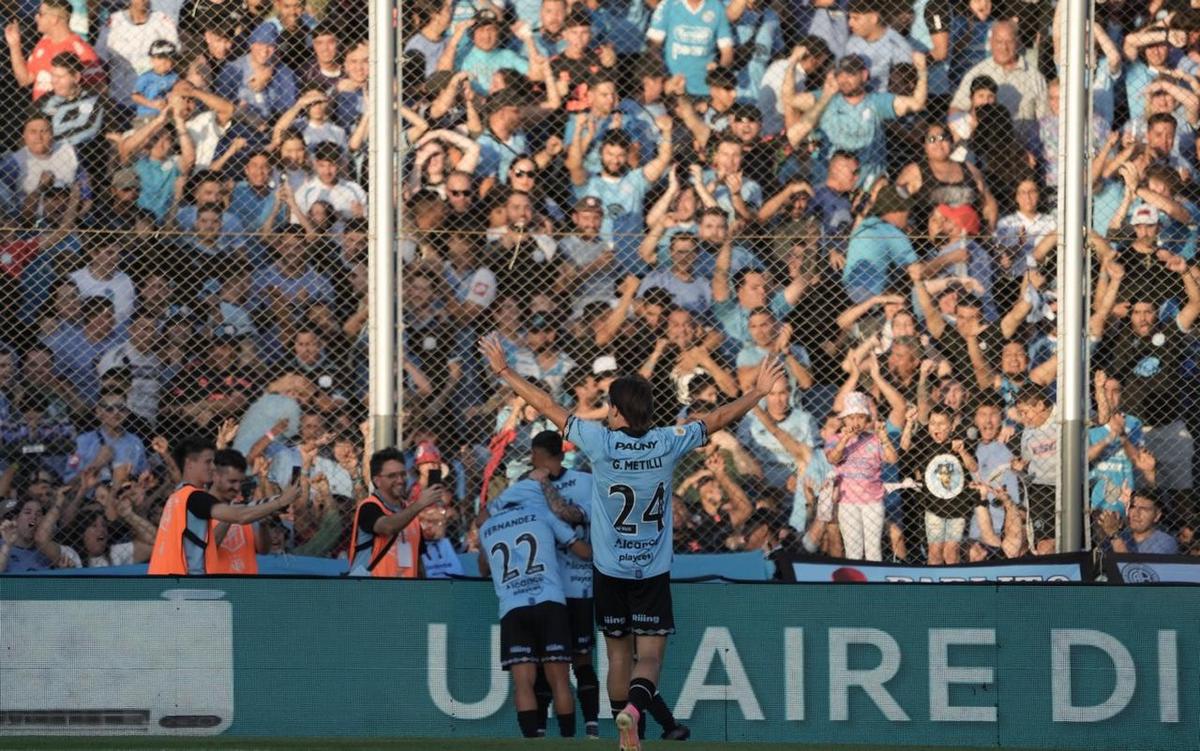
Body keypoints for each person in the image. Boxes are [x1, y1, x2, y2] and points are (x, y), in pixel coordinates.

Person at [479, 333, 784, 751]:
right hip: (652, 570)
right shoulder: (667, 442)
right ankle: (635, 716)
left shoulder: (600, 442)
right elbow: (716, 418)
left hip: (609, 570)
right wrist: (758, 392)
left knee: (618, 656)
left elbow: (548, 407)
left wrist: (504, 370)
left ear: (618, 412)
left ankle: (629, 729)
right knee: (651, 658)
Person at [477, 474, 592, 739]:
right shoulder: (541, 513)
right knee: (560, 682)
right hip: (549, 601)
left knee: (523, 684)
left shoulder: (488, 527)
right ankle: (568, 741)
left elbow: (483, 568)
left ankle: (532, 741)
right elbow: (581, 551)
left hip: (513, 607)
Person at [528, 429, 600, 737]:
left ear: (547, 456)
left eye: (535, 456)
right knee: (549, 660)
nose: (532, 462)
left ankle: (591, 725)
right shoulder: (527, 487)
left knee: (581, 658)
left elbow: (573, 516)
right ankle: (542, 729)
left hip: (579, 584)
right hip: (546, 588)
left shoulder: (585, 483)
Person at [147, 436, 299, 574]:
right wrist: (281, 501)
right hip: (183, 587)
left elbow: (261, 546)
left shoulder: (178, 497)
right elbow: (239, 517)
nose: (212, 467)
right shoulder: (194, 498)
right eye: (208, 462)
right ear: (189, 464)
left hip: (169, 584)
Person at [346, 446, 443, 577]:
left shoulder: (411, 513)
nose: (400, 480)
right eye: (392, 476)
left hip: (405, 593)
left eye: (403, 474)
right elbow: (387, 527)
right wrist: (419, 504)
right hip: (371, 592)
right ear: (377, 480)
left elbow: (418, 563)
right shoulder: (369, 507)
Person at [206, 448, 269, 574]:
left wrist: (263, 525)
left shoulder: (243, 506)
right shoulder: (199, 505)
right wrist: (233, 516)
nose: (237, 487)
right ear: (215, 476)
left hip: (246, 587)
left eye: (241, 482)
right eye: (232, 481)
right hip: (215, 588)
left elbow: (263, 550)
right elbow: (207, 550)